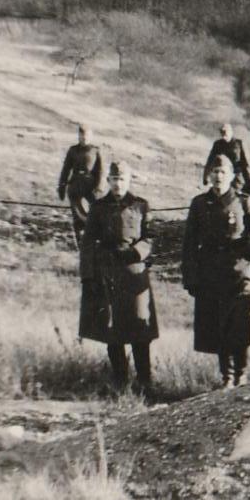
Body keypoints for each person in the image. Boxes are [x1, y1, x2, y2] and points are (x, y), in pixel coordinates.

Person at [181, 158, 250, 387]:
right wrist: (190, 276)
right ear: (209, 175)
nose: (218, 176)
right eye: (214, 171)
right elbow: (189, 243)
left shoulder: (243, 201)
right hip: (211, 272)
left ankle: (242, 373)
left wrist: (248, 248)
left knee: (240, 323)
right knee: (219, 326)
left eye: (223, 172)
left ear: (230, 175)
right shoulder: (199, 203)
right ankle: (227, 377)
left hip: (239, 271)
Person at [80, 162, 159, 401]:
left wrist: (138, 252)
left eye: (122, 179)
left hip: (134, 273)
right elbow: (87, 245)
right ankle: (120, 383)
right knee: (113, 332)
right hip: (108, 273)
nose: (118, 183)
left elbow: (151, 236)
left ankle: (145, 384)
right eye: (114, 179)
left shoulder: (140, 205)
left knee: (140, 330)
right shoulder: (98, 208)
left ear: (129, 180)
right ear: (108, 181)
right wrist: (88, 276)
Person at [57, 123, 104, 246]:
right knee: (77, 216)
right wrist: (61, 187)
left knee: (98, 212)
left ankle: (97, 240)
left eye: (87, 135)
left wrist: (98, 187)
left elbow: (101, 171)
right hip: (75, 186)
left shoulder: (95, 151)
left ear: (91, 136)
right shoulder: (73, 150)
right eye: (82, 135)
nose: (84, 138)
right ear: (78, 136)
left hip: (91, 186)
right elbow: (66, 169)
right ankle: (80, 243)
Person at [204, 123, 250, 187]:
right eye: (222, 132)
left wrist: (249, 181)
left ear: (231, 132)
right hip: (223, 175)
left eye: (225, 131)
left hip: (236, 176)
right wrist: (206, 177)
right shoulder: (217, 144)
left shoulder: (239, 143)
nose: (223, 133)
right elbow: (210, 161)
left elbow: (245, 163)